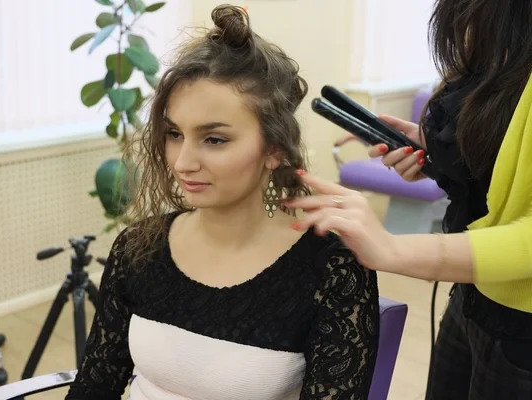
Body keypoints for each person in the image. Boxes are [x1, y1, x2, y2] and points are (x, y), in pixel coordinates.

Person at [65, 5, 379, 400]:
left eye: (214, 139)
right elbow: (95, 386)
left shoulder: (330, 267)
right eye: (174, 133)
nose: (182, 162)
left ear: (274, 149)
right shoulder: (137, 248)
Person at [284, 0, 532, 399]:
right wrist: (434, 150)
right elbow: (503, 172)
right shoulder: (499, 54)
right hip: (473, 292)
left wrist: (391, 249)